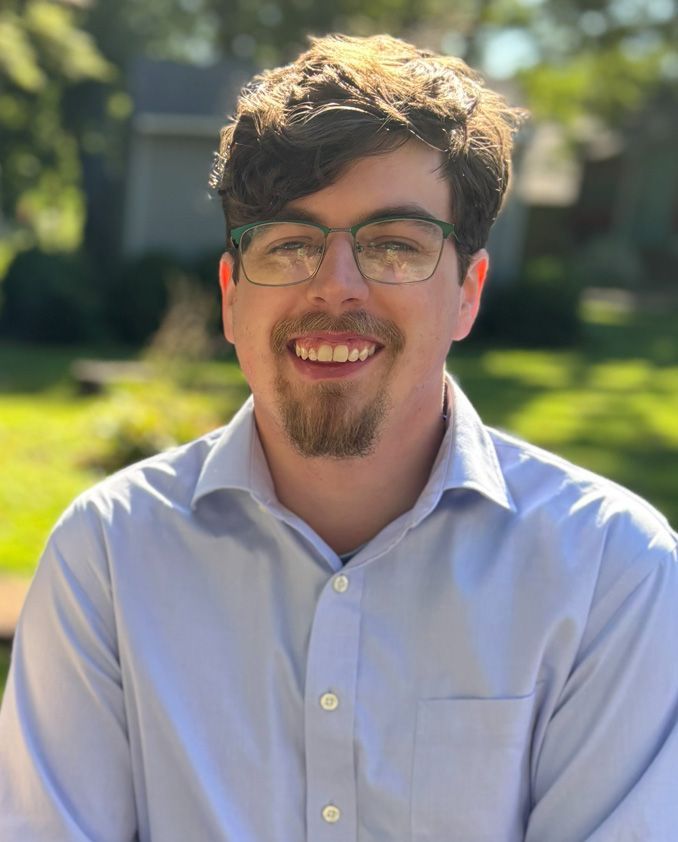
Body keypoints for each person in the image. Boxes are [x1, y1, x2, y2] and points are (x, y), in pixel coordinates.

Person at [1, 33, 676, 842]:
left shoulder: (612, 572)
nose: (336, 288)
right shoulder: (109, 559)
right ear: (232, 296)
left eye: (394, 245)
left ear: (468, 293)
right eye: (290, 244)